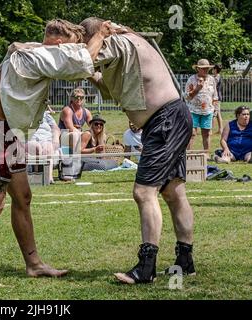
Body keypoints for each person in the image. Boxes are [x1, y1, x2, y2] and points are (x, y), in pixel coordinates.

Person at [0, 19, 108, 287]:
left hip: (9, 132)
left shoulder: (35, 52)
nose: (69, 52)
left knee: (23, 196)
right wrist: (99, 33)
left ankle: (34, 265)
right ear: (57, 43)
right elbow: (82, 61)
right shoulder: (37, 55)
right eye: (68, 47)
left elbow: (81, 63)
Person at [81, 17, 195, 284]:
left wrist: (84, 50)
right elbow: (108, 90)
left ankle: (146, 269)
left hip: (164, 120)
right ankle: (185, 261)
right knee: (173, 190)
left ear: (96, 35)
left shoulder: (117, 41)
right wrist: (90, 74)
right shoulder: (125, 46)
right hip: (172, 117)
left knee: (144, 192)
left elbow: (84, 59)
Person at [185, 59, 219, 150]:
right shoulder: (191, 79)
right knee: (192, 133)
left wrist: (215, 110)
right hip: (193, 110)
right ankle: (189, 155)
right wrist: (198, 88)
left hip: (208, 111)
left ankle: (206, 154)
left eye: (207, 68)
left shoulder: (212, 79)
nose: (206, 70)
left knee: (207, 133)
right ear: (198, 69)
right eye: (203, 68)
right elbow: (187, 97)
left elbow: (215, 96)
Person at [27, 105, 60, 184]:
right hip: (31, 139)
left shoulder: (46, 116)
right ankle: (36, 174)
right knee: (36, 147)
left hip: (46, 139)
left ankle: (49, 177)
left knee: (48, 147)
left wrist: (56, 139)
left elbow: (56, 129)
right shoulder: (26, 115)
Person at [212, 64, 224, 134]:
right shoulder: (216, 77)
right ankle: (220, 129)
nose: (212, 70)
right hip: (217, 97)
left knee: (213, 113)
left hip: (216, 98)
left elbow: (213, 86)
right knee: (218, 114)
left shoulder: (216, 78)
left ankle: (210, 129)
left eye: (213, 69)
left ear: (215, 70)